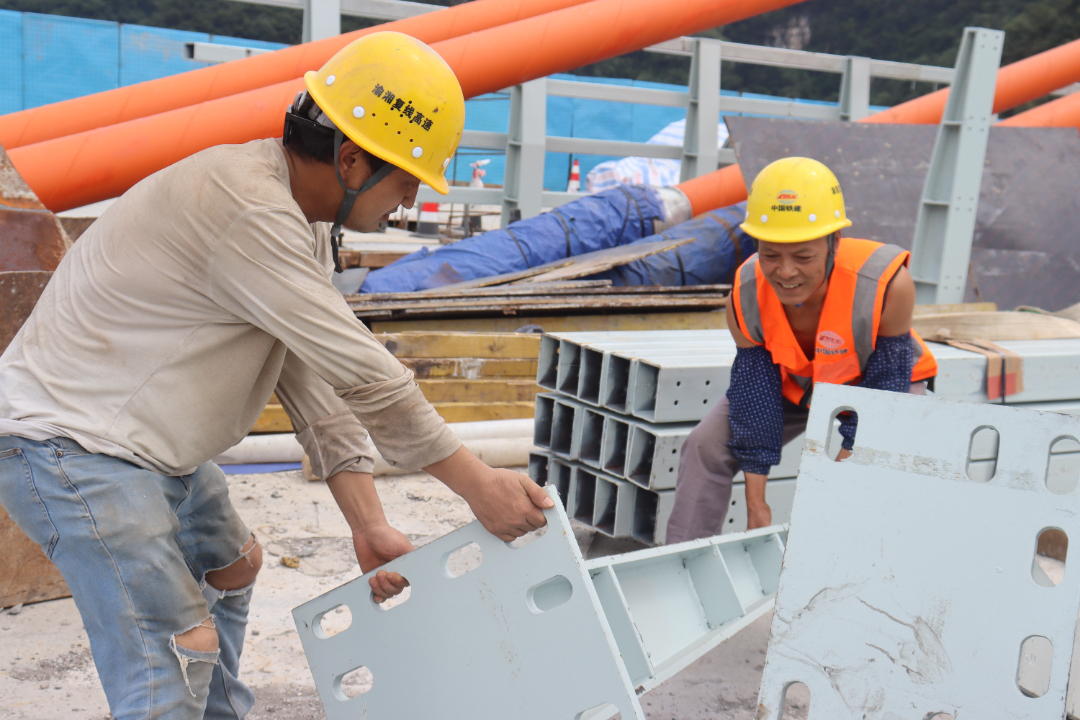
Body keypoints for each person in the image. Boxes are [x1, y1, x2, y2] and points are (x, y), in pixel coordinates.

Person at [0, 32, 553, 719]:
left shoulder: (300, 218)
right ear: (351, 160)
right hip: (70, 447)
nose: (408, 205)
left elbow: (312, 375)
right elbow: (365, 373)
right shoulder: (247, 208)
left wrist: (368, 523)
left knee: (232, 566)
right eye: (408, 181)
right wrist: (478, 485)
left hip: (142, 446)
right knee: (174, 648)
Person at [665, 157, 938, 542]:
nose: (786, 272)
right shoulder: (745, 295)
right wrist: (756, 506)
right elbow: (754, 395)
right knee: (705, 446)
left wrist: (847, 467)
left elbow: (883, 399)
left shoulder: (888, 285)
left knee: (882, 461)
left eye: (804, 256)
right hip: (795, 384)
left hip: (880, 384)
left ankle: (871, 557)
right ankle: (684, 560)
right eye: (770, 255)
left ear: (833, 244)